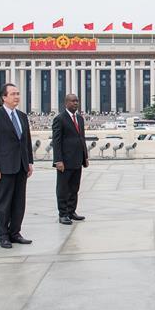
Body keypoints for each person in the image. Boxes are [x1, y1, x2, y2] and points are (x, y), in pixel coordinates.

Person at [0, 83, 34, 249]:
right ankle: (3, 235)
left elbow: (26, 141)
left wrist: (29, 162)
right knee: (4, 203)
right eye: (13, 94)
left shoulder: (22, 116)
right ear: (4, 97)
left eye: (18, 93)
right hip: (4, 167)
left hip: (21, 166)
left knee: (19, 202)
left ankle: (15, 233)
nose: (16, 97)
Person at [52, 93, 89, 225]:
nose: (75, 103)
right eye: (73, 101)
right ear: (66, 103)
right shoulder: (60, 119)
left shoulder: (79, 119)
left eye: (77, 101)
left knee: (74, 187)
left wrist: (85, 157)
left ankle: (71, 211)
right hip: (65, 161)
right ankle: (63, 213)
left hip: (77, 159)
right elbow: (56, 141)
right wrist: (58, 160)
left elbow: (82, 138)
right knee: (63, 188)